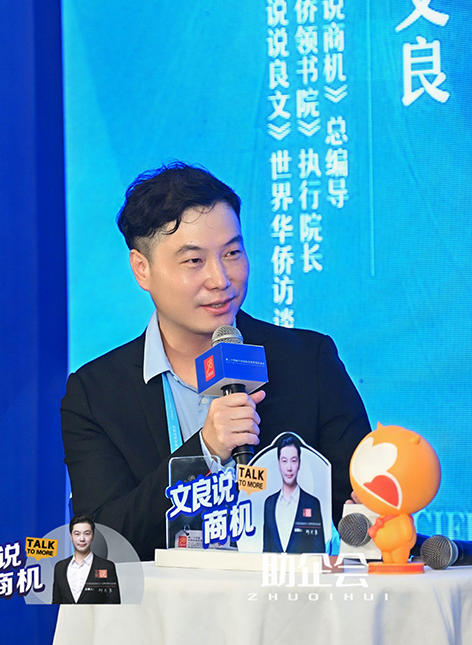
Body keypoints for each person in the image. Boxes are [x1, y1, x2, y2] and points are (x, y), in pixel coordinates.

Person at [61, 162, 370, 561]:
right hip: (163, 601)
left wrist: (376, 510)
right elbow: (103, 542)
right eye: (194, 261)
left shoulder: (308, 362)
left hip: (287, 596)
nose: (221, 279)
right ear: (142, 269)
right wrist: (204, 450)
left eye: (232, 253)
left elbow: (357, 507)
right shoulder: (95, 394)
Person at [262, 435, 325, 553]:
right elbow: (266, 548)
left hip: (304, 565)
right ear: (279, 464)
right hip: (273, 565)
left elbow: (319, 550)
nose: (289, 468)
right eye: (284, 461)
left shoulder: (312, 503)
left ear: (299, 463)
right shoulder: (269, 503)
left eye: (294, 460)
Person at [52, 515, 121, 604]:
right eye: (77, 534)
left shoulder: (106, 567)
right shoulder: (60, 567)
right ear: (71, 536)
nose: (82, 539)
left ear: (93, 536)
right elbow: (56, 603)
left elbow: (113, 603)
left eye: (87, 533)